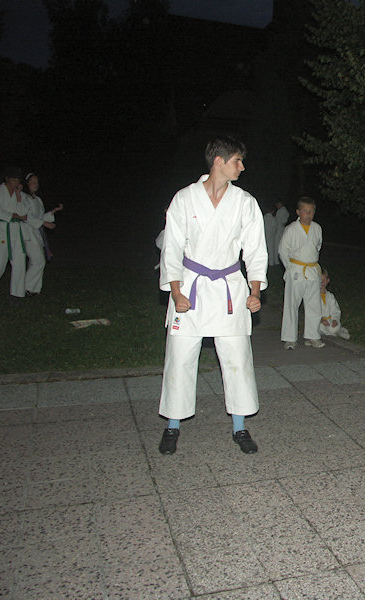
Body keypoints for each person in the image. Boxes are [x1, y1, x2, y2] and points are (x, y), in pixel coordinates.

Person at [157, 136, 268, 456]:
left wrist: (255, 291)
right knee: (180, 358)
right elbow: (171, 248)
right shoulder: (184, 199)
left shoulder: (245, 202)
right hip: (190, 287)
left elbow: (256, 250)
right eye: (237, 160)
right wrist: (176, 291)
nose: (242, 167)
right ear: (218, 161)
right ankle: (172, 426)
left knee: (237, 359)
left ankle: (240, 426)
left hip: (229, 288)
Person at [278, 196, 323, 349]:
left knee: (314, 305)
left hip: (312, 270)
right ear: (298, 212)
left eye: (311, 211)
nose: (308, 214)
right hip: (296, 270)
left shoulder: (317, 228)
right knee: (291, 304)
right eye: (305, 211)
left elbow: (317, 247)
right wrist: (290, 268)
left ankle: (312, 336)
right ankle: (290, 338)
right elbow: (283, 250)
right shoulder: (291, 229)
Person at [0, 167, 30, 298]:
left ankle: (17, 295)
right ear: (7, 179)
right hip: (2, 230)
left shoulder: (21, 195)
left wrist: (18, 195)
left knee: (19, 262)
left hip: (17, 231)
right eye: (13, 179)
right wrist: (14, 215)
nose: (16, 182)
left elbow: (24, 212)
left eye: (18, 180)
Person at [22, 173, 63, 295]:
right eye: (33, 182)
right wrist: (44, 223)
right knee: (38, 261)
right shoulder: (24, 198)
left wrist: (53, 212)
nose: (35, 184)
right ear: (27, 183)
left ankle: (34, 289)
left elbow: (40, 217)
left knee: (35, 261)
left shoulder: (38, 199)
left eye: (37, 182)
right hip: (28, 232)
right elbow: (26, 216)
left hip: (37, 234)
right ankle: (24, 288)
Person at [318, 268, 350, 340]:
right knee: (320, 328)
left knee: (334, 327)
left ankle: (336, 331)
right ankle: (335, 333)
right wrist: (321, 320)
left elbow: (335, 310)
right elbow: (312, 311)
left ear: (327, 281)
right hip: (320, 322)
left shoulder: (330, 296)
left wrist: (335, 320)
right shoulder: (314, 296)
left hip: (329, 321)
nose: (321, 283)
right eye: (319, 281)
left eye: (323, 281)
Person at [272, 200, 289, 265]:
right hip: (280, 229)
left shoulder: (282, 211)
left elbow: (278, 220)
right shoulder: (283, 210)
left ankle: (277, 260)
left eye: (277, 204)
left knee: (277, 245)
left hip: (279, 229)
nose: (277, 206)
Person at [263, 202, 279, 266]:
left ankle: (265, 262)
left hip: (264, 235)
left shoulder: (264, 217)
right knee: (271, 249)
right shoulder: (272, 218)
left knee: (265, 249)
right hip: (271, 235)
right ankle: (271, 262)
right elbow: (275, 227)